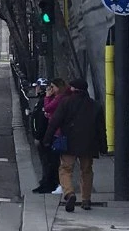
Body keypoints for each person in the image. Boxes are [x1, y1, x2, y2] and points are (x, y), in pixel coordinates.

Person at [43, 78, 106, 212]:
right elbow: (101, 128)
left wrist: (47, 139)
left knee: (65, 169)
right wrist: (103, 147)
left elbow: (55, 122)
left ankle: (69, 193)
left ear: (73, 89)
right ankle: (86, 199)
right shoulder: (95, 105)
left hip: (69, 142)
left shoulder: (66, 102)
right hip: (89, 144)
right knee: (87, 171)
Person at [33, 78, 70, 194]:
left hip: (54, 134)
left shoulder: (58, 98)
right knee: (49, 161)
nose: (50, 89)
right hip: (52, 133)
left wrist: (47, 97)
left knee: (53, 162)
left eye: (53, 87)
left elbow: (47, 111)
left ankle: (54, 185)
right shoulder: (60, 98)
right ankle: (47, 183)